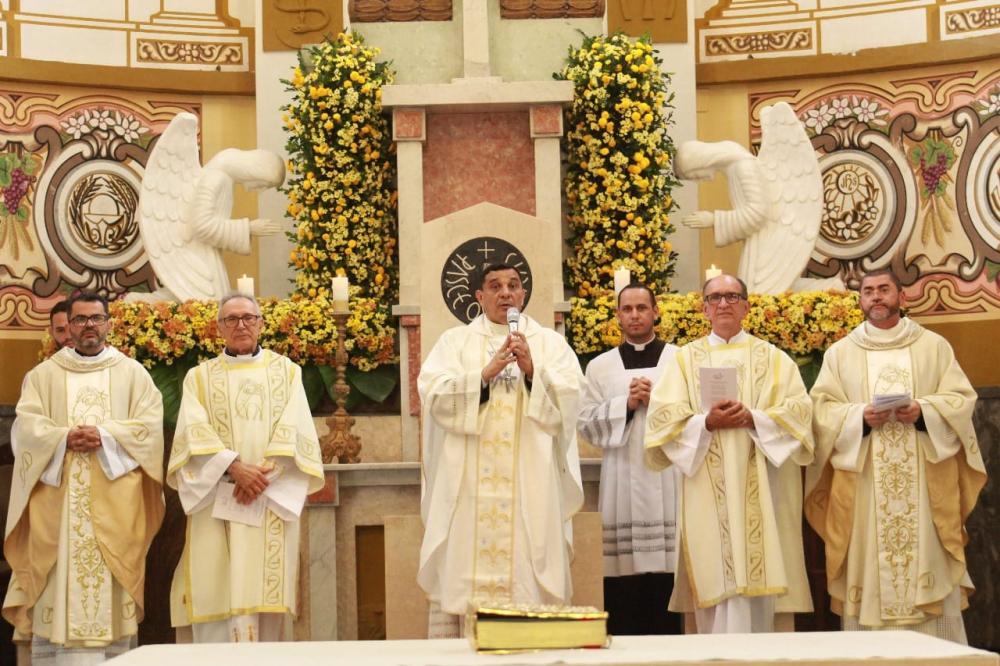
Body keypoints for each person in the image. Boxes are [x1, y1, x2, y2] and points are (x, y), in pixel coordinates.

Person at [805, 269, 985, 642]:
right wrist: (859, 418)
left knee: (928, 564)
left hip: (924, 487)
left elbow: (960, 400)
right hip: (865, 487)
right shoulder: (841, 353)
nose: (876, 297)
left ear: (902, 297)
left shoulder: (933, 346)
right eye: (868, 291)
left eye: (884, 289)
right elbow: (820, 411)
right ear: (860, 301)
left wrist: (924, 412)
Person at [418, 263, 584, 637]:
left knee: (527, 582)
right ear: (479, 297)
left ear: (523, 295)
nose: (505, 293)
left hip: (530, 489)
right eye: (495, 286)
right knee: (469, 585)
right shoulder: (454, 342)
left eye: (513, 286)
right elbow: (432, 394)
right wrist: (483, 375)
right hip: (470, 493)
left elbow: (573, 398)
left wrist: (531, 372)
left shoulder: (548, 344)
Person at [644, 274, 813, 633]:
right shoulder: (684, 360)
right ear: (704, 308)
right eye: (715, 297)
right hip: (706, 485)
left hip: (764, 488)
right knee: (713, 573)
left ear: (747, 307)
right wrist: (705, 423)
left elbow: (800, 411)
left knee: (760, 574)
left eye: (732, 297)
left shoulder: (774, 358)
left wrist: (755, 418)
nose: (724, 304)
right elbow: (662, 418)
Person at [3, 291, 165, 663]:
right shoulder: (43, 375)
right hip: (58, 514)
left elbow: (150, 428)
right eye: (80, 320)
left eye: (96, 318)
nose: (89, 326)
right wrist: (62, 438)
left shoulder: (132, 374)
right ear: (67, 327)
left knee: (110, 604)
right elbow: (25, 430)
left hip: (115, 510)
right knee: (57, 592)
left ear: (109, 323)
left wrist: (105, 436)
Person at [167, 292, 324, 643]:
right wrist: (234, 467)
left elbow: (295, 429)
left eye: (248, 318)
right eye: (231, 319)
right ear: (219, 328)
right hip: (219, 498)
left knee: (264, 593)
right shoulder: (200, 377)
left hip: (268, 497)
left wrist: (261, 476)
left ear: (261, 324)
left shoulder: (287, 372)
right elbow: (192, 434)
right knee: (217, 583)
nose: (241, 325)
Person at [577, 282, 681, 635]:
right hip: (621, 474)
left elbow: (698, 415)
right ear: (618, 315)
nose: (634, 315)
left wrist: (660, 403)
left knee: (668, 576)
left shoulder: (680, 359)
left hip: (670, 476)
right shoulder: (600, 367)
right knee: (624, 581)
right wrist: (626, 405)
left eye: (641, 307)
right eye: (627, 309)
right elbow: (585, 422)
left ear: (656, 311)